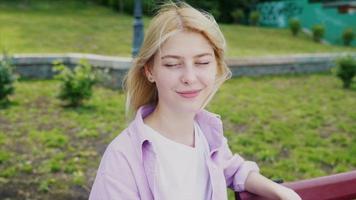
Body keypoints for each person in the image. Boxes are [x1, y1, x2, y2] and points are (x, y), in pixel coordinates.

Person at [89, 2, 301, 200]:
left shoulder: (207, 134)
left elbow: (233, 169)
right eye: (172, 64)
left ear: (216, 66)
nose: (190, 77)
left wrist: (280, 191)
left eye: (202, 62)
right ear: (149, 71)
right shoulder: (122, 159)